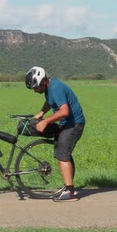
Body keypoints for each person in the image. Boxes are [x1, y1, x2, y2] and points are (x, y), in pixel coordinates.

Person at [25, 66, 86, 202]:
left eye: (35, 87)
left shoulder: (56, 88)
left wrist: (45, 121)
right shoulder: (50, 87)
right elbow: (50, 101)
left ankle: (70, 193)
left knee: (63, 155)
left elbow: (64, 112)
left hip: (73, 125)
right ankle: (67, 188)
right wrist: (42, 113)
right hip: (66, 124)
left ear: (43, 82)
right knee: (60, 154)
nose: (34, 91)